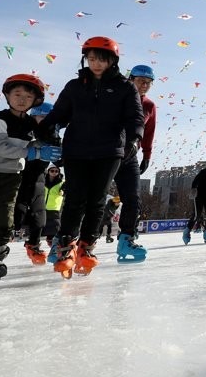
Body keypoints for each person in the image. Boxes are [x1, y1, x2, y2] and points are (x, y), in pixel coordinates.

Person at [35, 36, 144, 278]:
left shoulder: (125, 87)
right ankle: (66, 245)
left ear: (112, 61)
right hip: (77, 150)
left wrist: (134, 140)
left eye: (101, 60)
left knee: (96, 200)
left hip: (110, 151)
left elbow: (135, 118)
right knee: (75, 197)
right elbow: (59, 114)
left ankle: (86, 246)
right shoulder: (75, 85)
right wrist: (44, 130)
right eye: (92, 59)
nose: (95, 64)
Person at [0, 74, 52, 287]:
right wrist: (31, 151)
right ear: (7, 95)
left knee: (4, 214)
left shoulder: (30, 124)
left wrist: (50, 148)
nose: (21, 99)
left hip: (10, 176)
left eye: (28, 96)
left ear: (34, 101)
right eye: (17, 94)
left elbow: (42, 141)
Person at [101, 64, 156, 264]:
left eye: (148, 83)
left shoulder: (149, 105)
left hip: (130, 155)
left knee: (133, 199)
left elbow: (148, 131)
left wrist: (147, 154)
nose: (144, 85)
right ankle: (70, 240)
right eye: (140, 81)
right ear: (130, 79)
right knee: (95, 196)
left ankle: (126, 239)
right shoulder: (116, 96)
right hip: (108, 151)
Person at [13, 101, 55, 265]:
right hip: (19, 176)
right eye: (41, 117)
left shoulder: (53, 134)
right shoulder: (24, 130)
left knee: (40, 218)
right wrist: (32, 150)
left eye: (48, 117)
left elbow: (59, 158)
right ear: (33, 116)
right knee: (17, 213)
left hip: (38, 178)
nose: (45, 121)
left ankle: (33, 244)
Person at [43, 165, 65, 247]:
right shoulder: (43, 181)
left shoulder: (61, 182)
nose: (54, 173)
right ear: (48, 171)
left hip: (55, 208)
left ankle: (54, 245)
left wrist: (63, 190)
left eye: (56, 171)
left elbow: (66, 188)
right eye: (52, 171)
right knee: (41, 226)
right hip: (42, 207)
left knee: (54, 228)